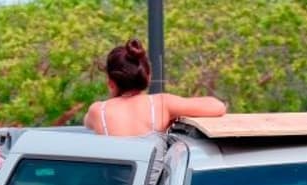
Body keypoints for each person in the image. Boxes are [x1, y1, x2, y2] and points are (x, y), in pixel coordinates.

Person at [83, 38, 227, 137]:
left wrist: (114, 93)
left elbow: (87, 124)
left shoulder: (97, 110)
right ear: (148, 75)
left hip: (112, 183)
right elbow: (217, 106)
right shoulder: (161, 104)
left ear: (111, 82)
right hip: (154, 182)